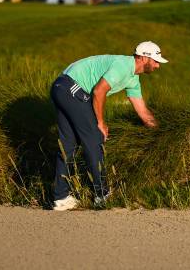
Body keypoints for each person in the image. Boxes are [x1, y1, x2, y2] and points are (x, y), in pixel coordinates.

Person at [51, 41, 168, 211]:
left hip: (61, 87)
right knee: (95, 138)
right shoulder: (123, 66)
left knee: (67, 145)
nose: (158, 66)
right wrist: (101, 122)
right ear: (143, 58)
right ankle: (102, 195)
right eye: (156, 61)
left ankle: (61, 199)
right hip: (72, 88)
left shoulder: (133, 79)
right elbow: (99, 91)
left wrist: (161, 132)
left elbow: (143, 113)